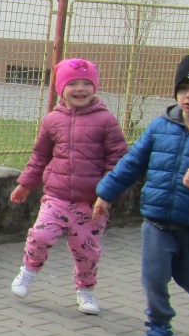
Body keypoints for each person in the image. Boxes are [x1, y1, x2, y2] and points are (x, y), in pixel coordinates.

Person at [9, 59, 126, 314]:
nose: (80, 89)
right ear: (62, 89)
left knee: (87, 251)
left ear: (95, 87)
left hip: (92, 203)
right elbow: (40, 157)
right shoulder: (52, 120)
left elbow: (117, 161)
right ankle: (27, 272)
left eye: (87, 83)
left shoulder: (106, 120)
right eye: (73, 83)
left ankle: (86, 292)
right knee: (40, 236)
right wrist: (25, 185)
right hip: (56, 197)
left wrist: (107, 195)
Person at [95, 55, 189, 336]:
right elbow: (133, 163)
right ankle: (159, 326)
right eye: (184, 88)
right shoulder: (160, 126)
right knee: (154, 278)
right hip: (157, 222)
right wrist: (105, 193)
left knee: (188, 277)